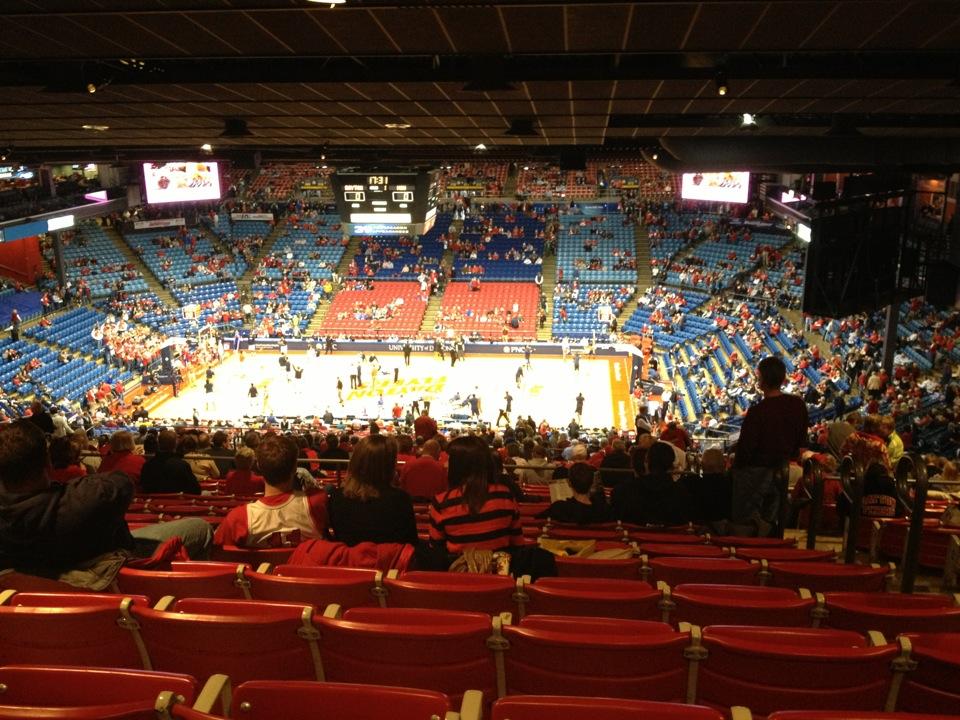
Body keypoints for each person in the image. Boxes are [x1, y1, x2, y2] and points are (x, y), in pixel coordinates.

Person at [0, 420, 212, 578]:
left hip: (49, 583)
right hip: (109, 569)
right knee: (200, 527)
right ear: (48, 464)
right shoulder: (84, 498)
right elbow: (123, 483)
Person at [732, 356, 809, 534]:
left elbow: (745, 450)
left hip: (756, 472)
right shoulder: (798, 405)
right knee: (773, 520)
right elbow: (801, 441)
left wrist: (735, 468)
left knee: (745, 520)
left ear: (762, 381)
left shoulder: (757, 412)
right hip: (784, 470)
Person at [215, 434, 327, 547]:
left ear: (258, 466)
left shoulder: (238, 519)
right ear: (295, 468)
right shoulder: (317, 503)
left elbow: (220, 555)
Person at [429, 435, 523, 553]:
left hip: (455, 570)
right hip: (498, 569)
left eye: (450, 460)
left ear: (458, 465)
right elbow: (518, 545)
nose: (446, 464)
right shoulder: (505, 496)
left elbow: (436, 552)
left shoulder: (442, 503)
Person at [326, 435, 418, 546]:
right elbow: (410, 543)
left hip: (349, 561)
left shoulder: (337, 497)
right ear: (389, 466)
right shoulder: (400, 500)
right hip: (388, 561)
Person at [612, 441, 691, 526]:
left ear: (647, 463)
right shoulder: (682, 493)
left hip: (633, 537)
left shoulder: (623, 491)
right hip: (671, 538)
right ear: (671, 465)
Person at [536, 462, 612, 524]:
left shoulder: (559, 508)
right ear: (592, 483)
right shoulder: (603, 511)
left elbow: (537, 520)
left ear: (569, 483)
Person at [141, 430, 201, 495]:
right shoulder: (182, 465)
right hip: (178, 503)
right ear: (176, 444)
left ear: (158, 443)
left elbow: (144, 487)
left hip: (151, 503)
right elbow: (195, 490)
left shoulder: (148, 465)